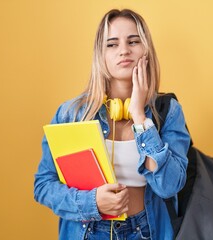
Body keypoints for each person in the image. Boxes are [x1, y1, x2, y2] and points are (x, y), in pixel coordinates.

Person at [34, 9, 191, 240]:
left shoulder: (167, 112)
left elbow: (169, 186)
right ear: (101, 55)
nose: (124, 50)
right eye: (112, 44)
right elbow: (43, 185)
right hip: (87, 232)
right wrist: (92, 202)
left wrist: (139, 116)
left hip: (147, 231)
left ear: (146, 50)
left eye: (133, 41)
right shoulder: (72, 114)